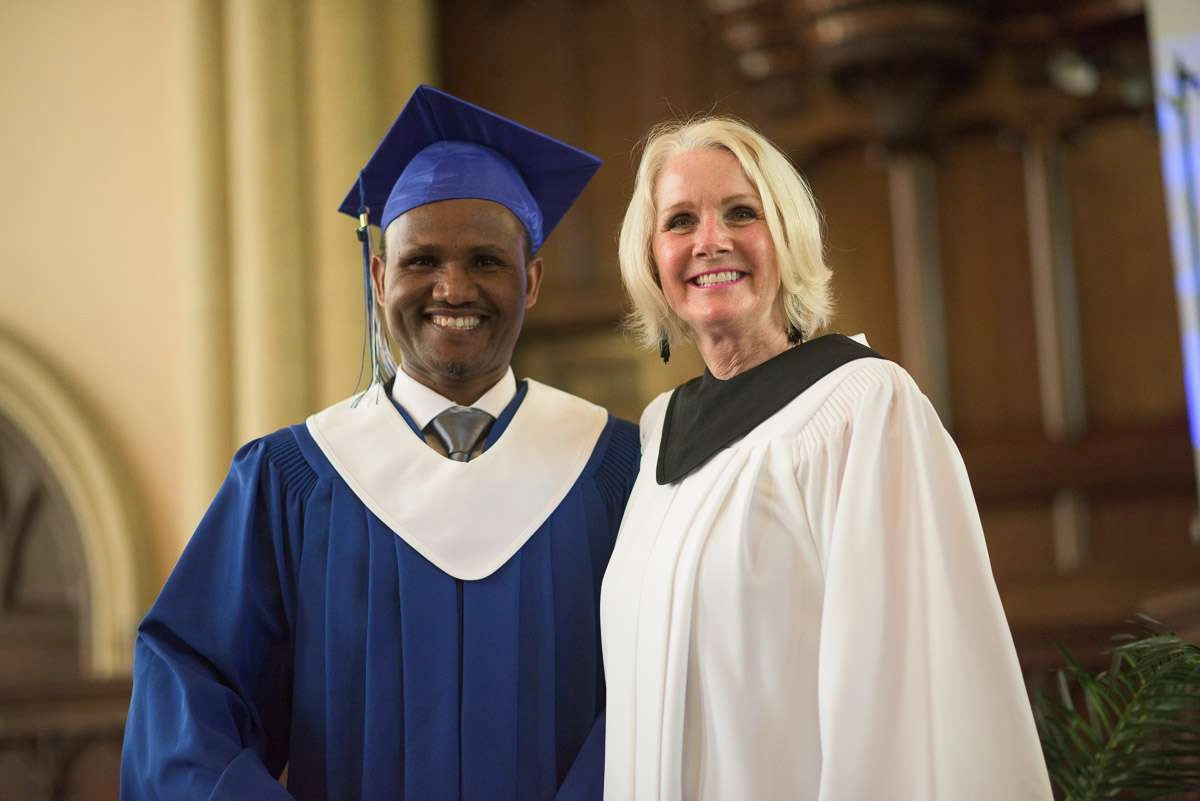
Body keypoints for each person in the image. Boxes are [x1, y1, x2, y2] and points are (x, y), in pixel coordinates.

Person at [120, 85, 638, 801]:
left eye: (486, 260)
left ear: (534, 279)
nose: (452, 287)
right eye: (422, 260)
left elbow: (665, 686)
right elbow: (186, 699)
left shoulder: (617, 471)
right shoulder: (292, 481)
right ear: (377, 274)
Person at [599, 116, 1054, 801]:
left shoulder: (862, 409)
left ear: (786, 238)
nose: (711, 240)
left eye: (741, 212)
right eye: (680, 220)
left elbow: (899, 702)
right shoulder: (659, 432)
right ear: (651, 257)